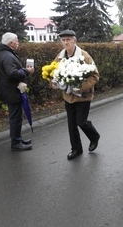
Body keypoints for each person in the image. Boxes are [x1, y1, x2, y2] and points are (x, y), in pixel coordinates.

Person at [51, 30, 100, 160]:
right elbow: (53, 72)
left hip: (82, 96)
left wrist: (81, 88)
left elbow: (95, 76)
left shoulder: (84, 56)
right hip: (68, 96)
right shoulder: (60, 57)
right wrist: (54, 82)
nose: (66, 42)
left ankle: (94, 136)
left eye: (68, 39)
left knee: (81, 122)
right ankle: (76, 149)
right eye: (63, 40)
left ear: (74, 40)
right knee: (71, 124)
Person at [0, 32, 34, 151]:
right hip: (12, 91)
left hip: (9, 90)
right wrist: (26, 71)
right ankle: (16, 142)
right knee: (15, 117)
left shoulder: (4, 54)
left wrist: (23, 70)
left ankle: (18, 138)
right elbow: (12, 73)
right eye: (16, 41)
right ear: (11, 43)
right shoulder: (7, 55)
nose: (18, 43)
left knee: (17, 116)